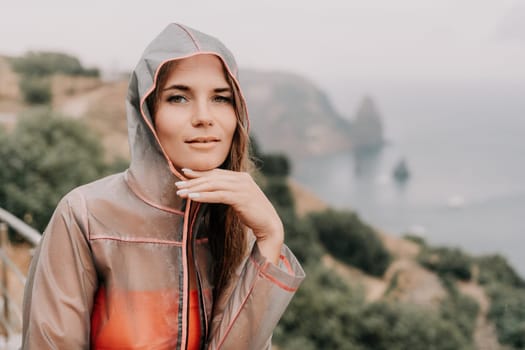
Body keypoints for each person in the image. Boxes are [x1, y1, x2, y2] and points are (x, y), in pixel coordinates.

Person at [21, 23, 305, 349]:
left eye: (220, 98)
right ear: (148, 114)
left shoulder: (241, 223)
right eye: (179, 97)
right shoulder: (84, 215)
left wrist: (269, 239)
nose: (203, 117)